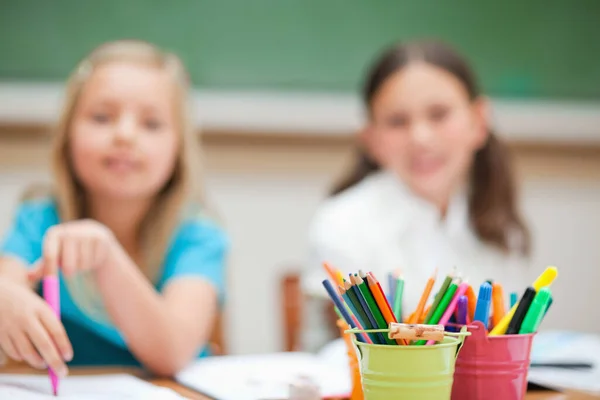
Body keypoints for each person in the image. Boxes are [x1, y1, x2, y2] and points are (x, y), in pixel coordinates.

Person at [0, 40, 228, 377]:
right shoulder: (38, 219)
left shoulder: (198, 235)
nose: (124, 135)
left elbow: (173, 354)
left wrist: (108, 258)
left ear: (179, 149)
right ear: (67, 136)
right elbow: (8, 284)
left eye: (151, 124)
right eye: (102, 117)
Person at [303, 39, 530, 350]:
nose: (421, 137)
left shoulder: (500, 224)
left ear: (478, 122)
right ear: (371, 139)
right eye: (398, 121)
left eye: (439, 114)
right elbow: (354, 352)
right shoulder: (342, 223)